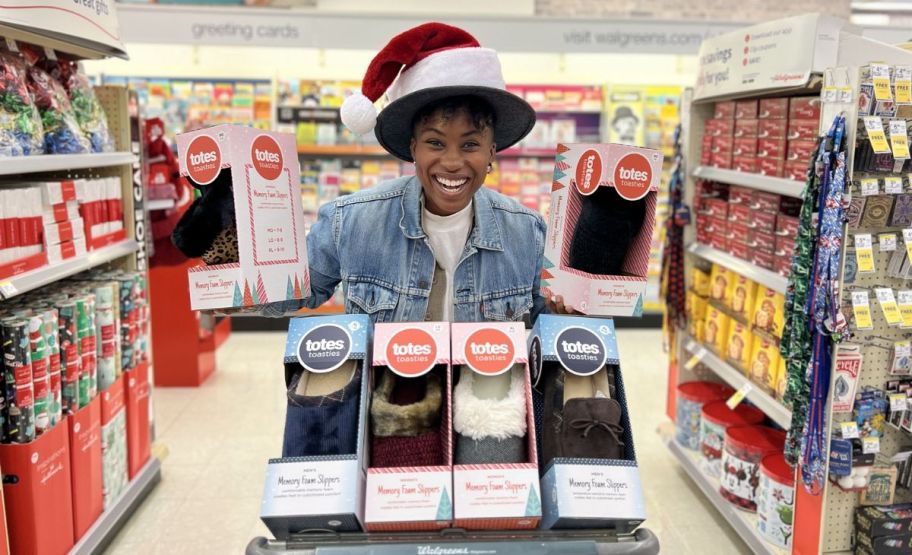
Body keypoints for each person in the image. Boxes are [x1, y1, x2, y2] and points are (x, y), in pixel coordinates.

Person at [264, 22, 575, 322]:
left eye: (470, 145)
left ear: (491, 152)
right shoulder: (351, 222)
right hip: (388, 379)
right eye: (435, 142)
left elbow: (544, 321)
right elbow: (289, 290)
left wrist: (570, 309)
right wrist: (224, 289)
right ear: (413, 148)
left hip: (483, 380)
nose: (452, 161)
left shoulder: (528, 234)